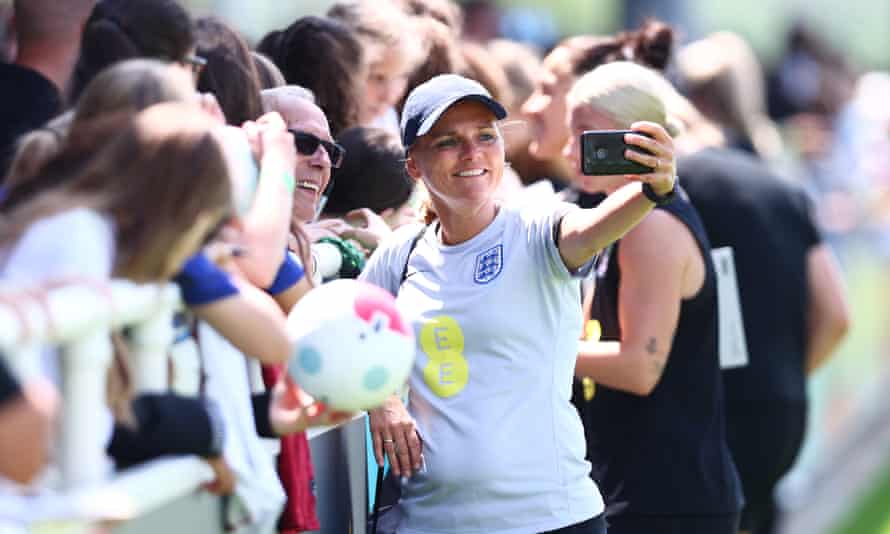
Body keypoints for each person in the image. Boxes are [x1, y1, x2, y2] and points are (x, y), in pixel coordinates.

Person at [360, 74, 677, 533]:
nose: (472, 153)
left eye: (486, 136)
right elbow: (343, 330)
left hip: (551, 519)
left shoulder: (536, 227)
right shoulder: (401, 252)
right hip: (429, 522)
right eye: (449, 141)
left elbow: (589, 230)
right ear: (413, 164)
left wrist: (651, 190)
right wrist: (381, 399)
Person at [566, 61, 743, 534]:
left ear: (633, 138)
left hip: (668, 499)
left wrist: (536, 351)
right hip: (649, 490)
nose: (570, 152)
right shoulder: (626, 222)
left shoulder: (652, 226)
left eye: (585, 136)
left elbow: (639, 367)